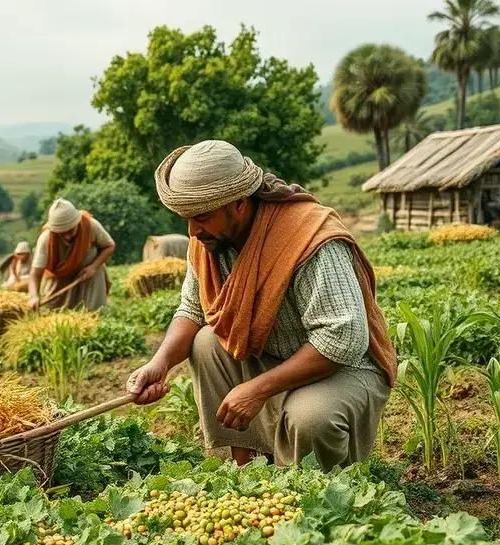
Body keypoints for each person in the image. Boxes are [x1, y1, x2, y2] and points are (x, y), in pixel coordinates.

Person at [126, 140, 397, 472]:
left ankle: (319, 492)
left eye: (202, 217)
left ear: (239, 204)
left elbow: (342, 341)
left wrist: (256, 389)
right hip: (275, 356)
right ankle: (249, 470)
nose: (193, 231)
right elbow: (192, 310)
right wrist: (160, 362)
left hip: (342, 368)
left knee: (310, 418)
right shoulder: (209, 242)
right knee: (206, 341)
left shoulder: (306, 240)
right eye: (187, 218)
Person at [28, 199, 115, 311]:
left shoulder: (91, 225)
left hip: (89, 275)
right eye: (62, 233)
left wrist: (93, 267)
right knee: (55, 314)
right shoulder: (46, 238)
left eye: (70, 231)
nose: (67, 236)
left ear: (77, 222)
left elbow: (109, 246)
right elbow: (35, 274)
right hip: (60, 279)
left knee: (95, 312)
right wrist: (34, 296)